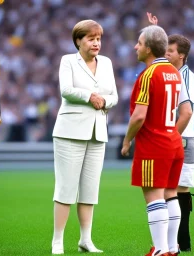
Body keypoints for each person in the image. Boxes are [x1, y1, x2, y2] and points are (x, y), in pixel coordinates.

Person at [121, 25, 192, 256]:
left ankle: (160, 250)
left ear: (149, 49)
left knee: (153, 196)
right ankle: (172, 248)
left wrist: (126, 139)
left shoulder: (149, 74)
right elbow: (185, 110)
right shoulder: (174, 72)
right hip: (173, 142)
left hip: (154, 144)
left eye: (139, 43)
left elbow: (139, 115)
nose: (136, 47)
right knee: (171, 194)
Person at [51, 19, 118, 255]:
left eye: (98, 38)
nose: (96, 43)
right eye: (91, 38)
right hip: (69, 132)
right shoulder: (68, 61)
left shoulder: (107, 63)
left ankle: (85, 240)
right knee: (66, 189)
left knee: (90, 190)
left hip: (97, 133)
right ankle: (57, 241)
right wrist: (91, 96)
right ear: (78, 41)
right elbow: (66, 90)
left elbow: (114, 96)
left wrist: (103, 100)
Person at [147, 13, 194, 252]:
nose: (166, 54)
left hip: (184, 138)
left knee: (179, 190)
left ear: (182, 55)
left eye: (170, 51)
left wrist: (170, 137)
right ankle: (174, 243)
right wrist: (154, 31)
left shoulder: (190, 80)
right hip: (174, 138)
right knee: (170, 189)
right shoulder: (170, 74)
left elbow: (186, 112)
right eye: (165, 49)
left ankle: (181, 241)